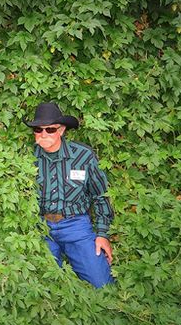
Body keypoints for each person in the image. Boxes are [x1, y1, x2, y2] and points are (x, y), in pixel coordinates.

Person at [26, 102, 115, 288]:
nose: (43, 134)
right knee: (41, 286)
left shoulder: (83, 156)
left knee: (102, 285)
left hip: (76, 226)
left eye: (50, 129)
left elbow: (101, 195)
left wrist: (102, 234)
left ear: (62, 130)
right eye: (38, 129)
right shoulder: (26, 157)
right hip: (40, 227)